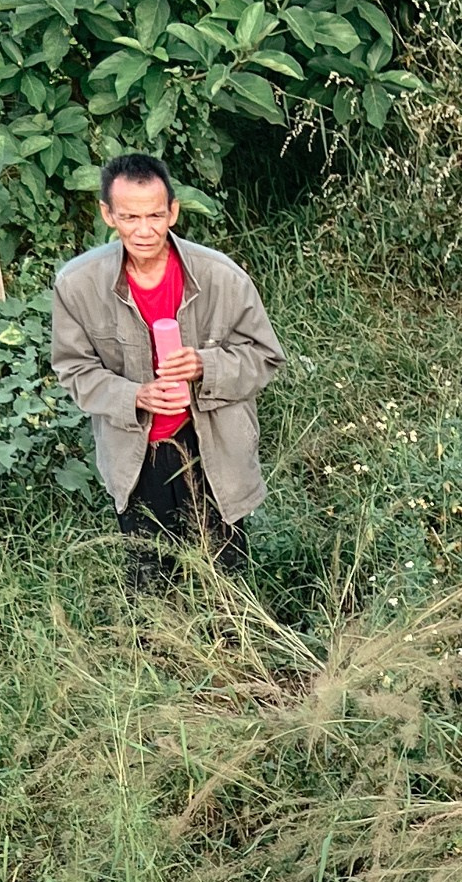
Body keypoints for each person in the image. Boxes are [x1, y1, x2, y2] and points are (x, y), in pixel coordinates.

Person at [49, 154, 286, 583]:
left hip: (211, 444)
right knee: (150, 574)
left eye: (156, 215)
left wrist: (205, 365)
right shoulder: (78, 284)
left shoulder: (221, 277)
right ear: (108, 214)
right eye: (130, 217)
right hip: (137, 453)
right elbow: (74, 367)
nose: (144, 230)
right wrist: (133, 395)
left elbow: (265, 356)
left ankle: (231, 647)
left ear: (173, 211)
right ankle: (156, 649)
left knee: (224, 575)